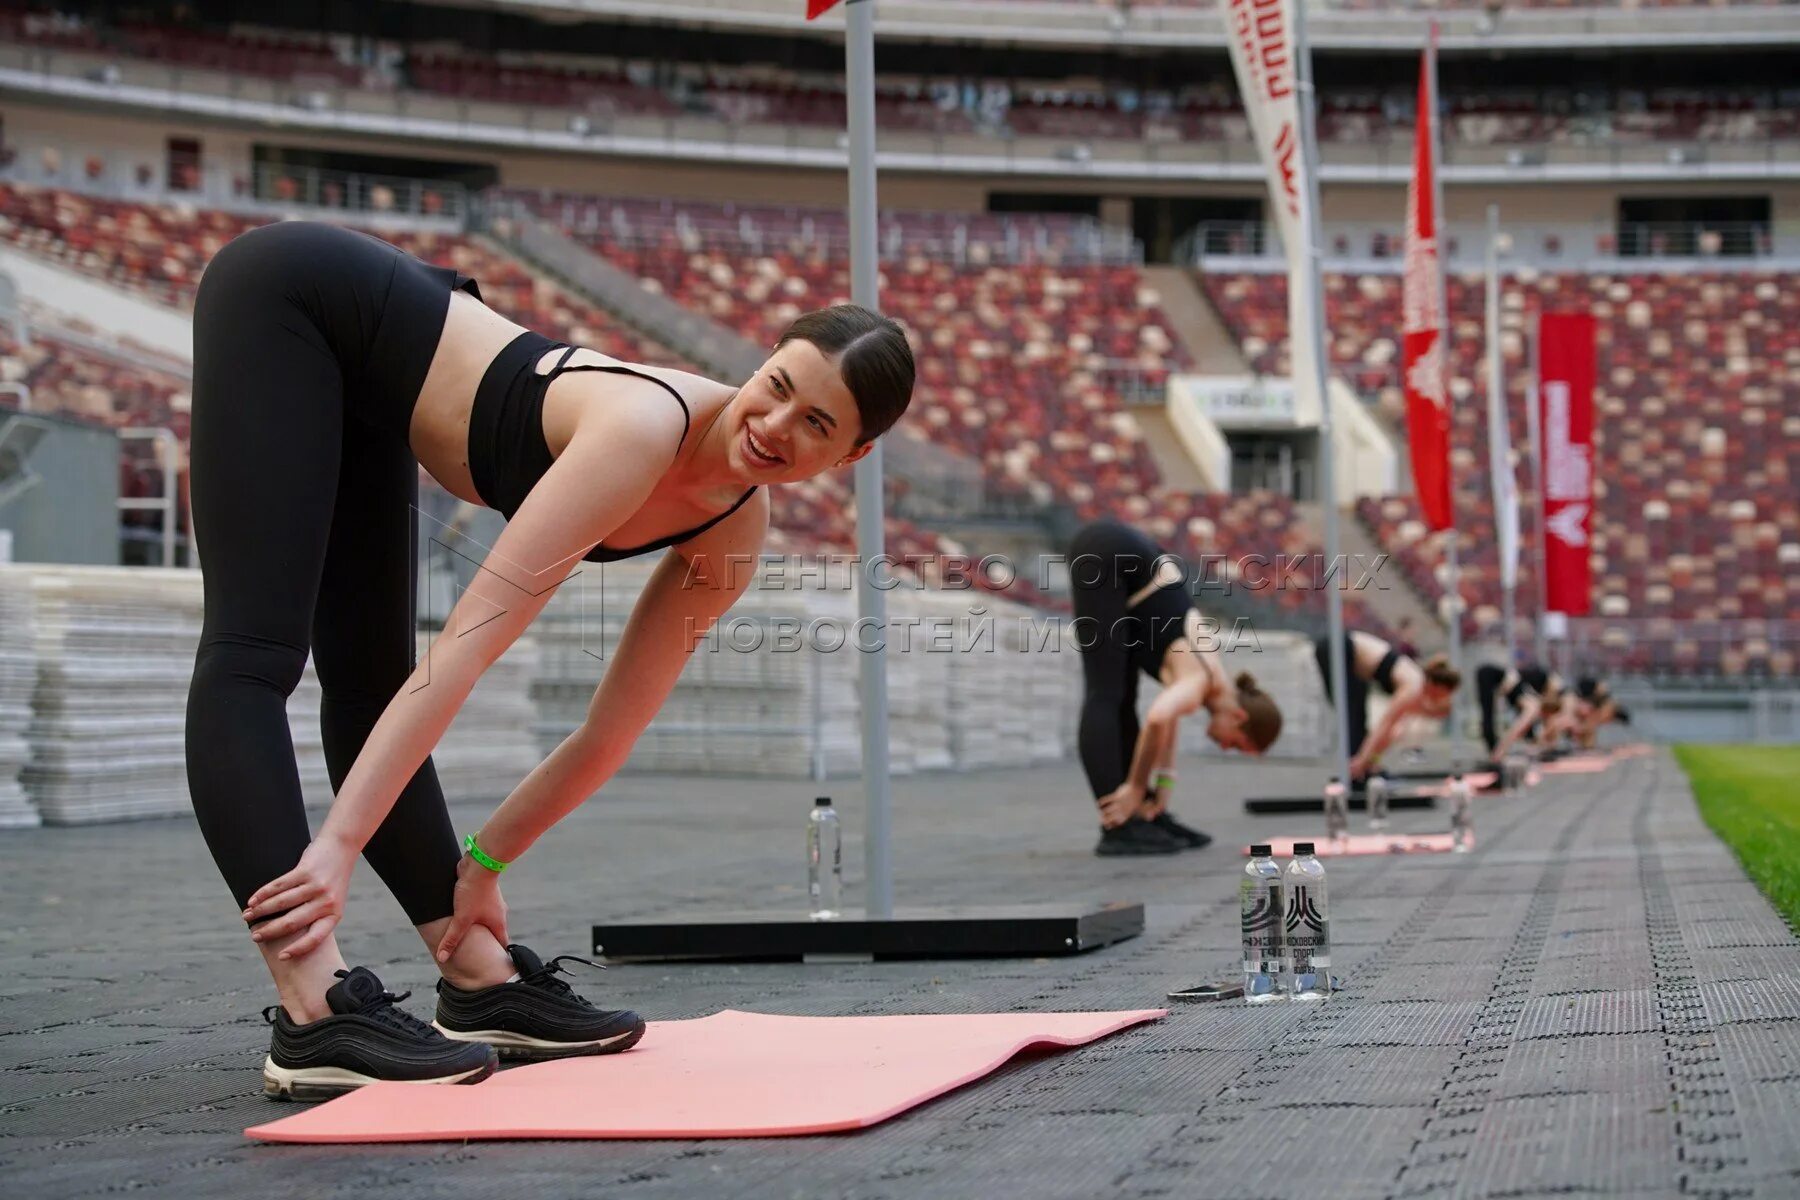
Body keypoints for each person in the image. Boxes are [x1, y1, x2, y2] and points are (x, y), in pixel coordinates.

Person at [185, 221, 914, 1098]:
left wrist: (483, 866)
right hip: (294, 296)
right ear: (762, 358)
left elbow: (608, 734)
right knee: (255, 650)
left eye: (816, 424)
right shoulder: (643, 428)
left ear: (854, 455)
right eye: (777, 386)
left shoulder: (732, 528)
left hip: (378, 364)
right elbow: (467, 645)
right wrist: (334, 849)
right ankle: (313, 1009)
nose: (773, 424)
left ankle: (478, 977)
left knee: (374, 681)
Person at [1068, 520, 1284, 856]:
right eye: (1236, 743)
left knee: (1122, 696)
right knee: (1106, 693)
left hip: (1125, 553)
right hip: (1108, 553)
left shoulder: (1213, 678)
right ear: (1239, 716)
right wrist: (1137, 787)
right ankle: (1118, 824)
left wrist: (1161, 790)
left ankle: (1145, 817)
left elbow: (1169, 721)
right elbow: (1157, 718)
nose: (1226, 747)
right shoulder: (1200, 680)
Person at [1314, 630, 1460, 780]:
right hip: (1339, 647)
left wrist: (1372, 759)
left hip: (1351, 660)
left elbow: (1391, 734)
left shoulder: (1416, 688)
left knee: (1357, 716)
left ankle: (1360, 767)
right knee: (1352, 716)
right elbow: (1385, 724)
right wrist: (1364, 760)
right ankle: (1355, 769)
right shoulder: (1413, 687)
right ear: (1436, 686)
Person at [1474, 661, 1564, 760]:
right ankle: (1495, 752)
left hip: (1497, 678)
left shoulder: (1534, 699)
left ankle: (1495, 751)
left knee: (1489, 719)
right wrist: (1501, 750)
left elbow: (1523, 730)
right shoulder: (1533, 707)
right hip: (1489, 675)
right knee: (1488, 719)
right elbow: (1515, 730)